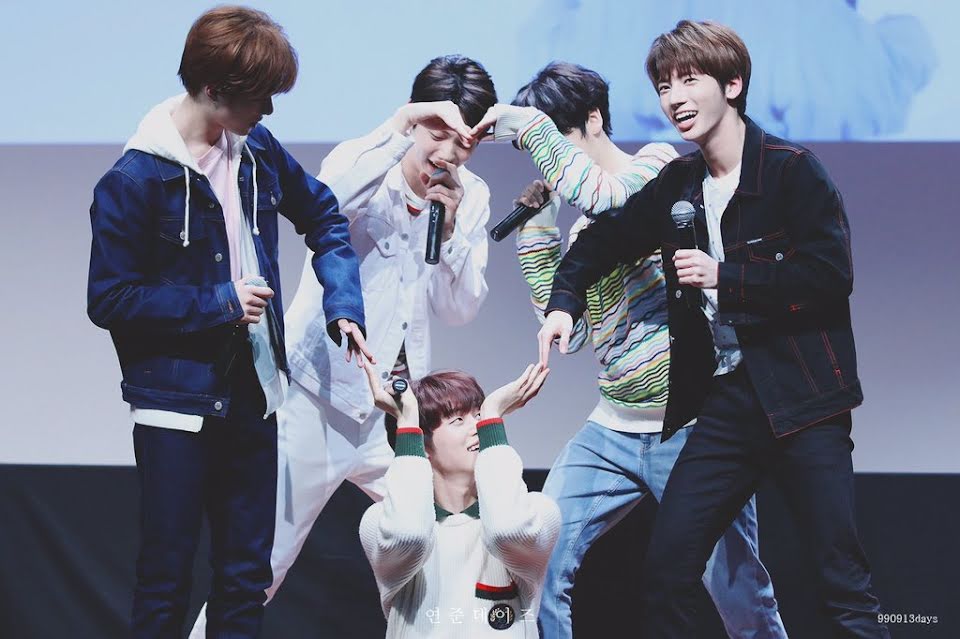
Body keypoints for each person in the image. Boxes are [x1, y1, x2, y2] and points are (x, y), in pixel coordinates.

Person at [538, 20, 889, 638]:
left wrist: (725, 277)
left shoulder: (791, 170)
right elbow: (599, 244)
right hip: (728, 402)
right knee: (667, 572)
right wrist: (564, 304)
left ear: (733, 84)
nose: (674, 98)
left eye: (689, 80)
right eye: (664, 86)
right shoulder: (679, 183)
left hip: (805, 398)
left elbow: (830, 275)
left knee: (841, 583)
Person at [470, 62, 785, 638]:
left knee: (737, 588)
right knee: (538, 554)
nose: (548, 162)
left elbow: (607, 197)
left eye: (555, 140)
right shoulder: (585, 230)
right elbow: (574, 335)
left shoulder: (659, 169)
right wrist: (539, 231)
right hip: (612, 427)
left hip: (691, 425)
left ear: (594, 119)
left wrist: (527, 127)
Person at [189, 54, 496, 637]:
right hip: (317, 398)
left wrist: (453, 231)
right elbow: (324, 203)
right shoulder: (364, 160)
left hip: (397, 414)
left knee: (451, 546)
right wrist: (397, 128)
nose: (449, 154)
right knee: (260, 566)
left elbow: (459, 308)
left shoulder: (471, 195)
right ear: (416, 117)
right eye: (438, 132)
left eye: (466, 142)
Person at [86, 6, 369, 637]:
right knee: (165, 578)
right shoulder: (135, 180)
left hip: (255, 392)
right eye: (259, 97)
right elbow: (110, 299)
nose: (268, 111)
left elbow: (325, 219)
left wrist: (344, 306)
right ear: (214, 89)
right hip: (176, 407)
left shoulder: (256, 150)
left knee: (245, 577)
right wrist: (218, 302)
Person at [359, 360, 561, 637]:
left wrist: (493, 413)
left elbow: (508, 531)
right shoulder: (379, 523)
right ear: (421, 445)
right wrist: (407, 421)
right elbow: (408, 535)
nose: (478, 427)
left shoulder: (538, 512)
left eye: (479, 415)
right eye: (458, 420)